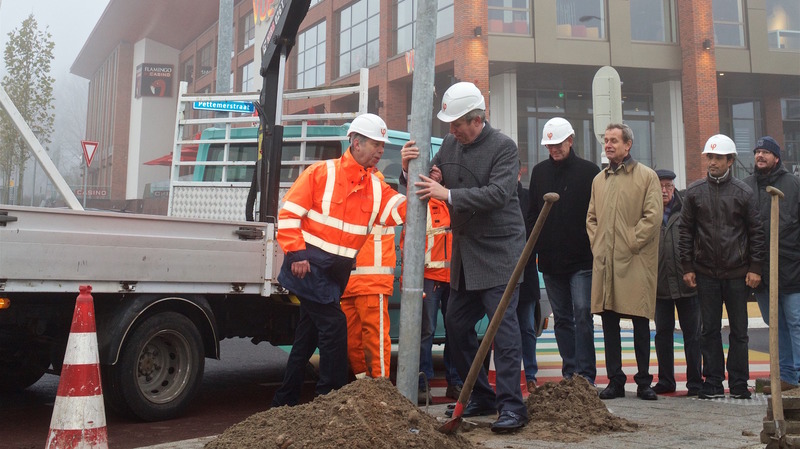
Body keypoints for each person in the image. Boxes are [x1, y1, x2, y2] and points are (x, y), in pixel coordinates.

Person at [401, 81, 528, 432]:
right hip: (465, 257)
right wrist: (409, 169)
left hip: (500, 253)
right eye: (450, 125)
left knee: (503, 332)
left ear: (477, 119)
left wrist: (449, 192)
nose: (452, 130)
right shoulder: (449, 145)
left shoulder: (504, 147)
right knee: (456, 325)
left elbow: (499, 194)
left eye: (457, 124)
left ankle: (512, 406)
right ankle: (482, 395)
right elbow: (426, 184)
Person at [271, 113, 406, 407]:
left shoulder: (375, 185)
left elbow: (398, 211)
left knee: (305, 340)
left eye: (383, 145)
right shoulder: (321, 173)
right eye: (376, 144)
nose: (381, 151)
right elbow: (289, 213)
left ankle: (284, 401)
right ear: (356, 143)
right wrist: (296, 253)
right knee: (334, 329)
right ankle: (328, 398)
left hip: (334, 274)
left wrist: (416, 181)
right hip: (309, 269)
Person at [679, 133, 765, 400]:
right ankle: (713, 382)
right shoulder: (694, 192)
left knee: (739, 332)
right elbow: (685, 232)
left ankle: (739, 383)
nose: (712, 162)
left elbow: (757, 233)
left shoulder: (744, 192)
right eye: (710, 157)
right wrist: (687, 266)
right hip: (705, 274)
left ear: (730, 161)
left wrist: (756, 268)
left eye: (718, 158)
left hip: (738, 275)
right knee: (709, 331)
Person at [586, 123, 662, 401]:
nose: (608, 145)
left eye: (614, 141)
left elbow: (652, 218)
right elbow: (591, 218)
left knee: (640, 323)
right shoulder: (599, 180)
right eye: (606, 140)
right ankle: (615, 380)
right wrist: (599, 244)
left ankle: (643, 382)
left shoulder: (646, 177)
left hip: (635, 261)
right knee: (609, 324)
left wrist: (630, 241)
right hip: (606, 262)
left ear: (628, 145)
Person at [527, 117, 599, 385]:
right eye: (549, 145)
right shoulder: (540, 172)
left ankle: (586, 375)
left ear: (570, 140)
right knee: (562, 319)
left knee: (582, 313)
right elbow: (533, 214)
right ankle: (570, 373)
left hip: (582, 259)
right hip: (550, 260)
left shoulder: (589, 172)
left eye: (557, 144)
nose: (553, 149)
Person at [744, 136, 800, 394]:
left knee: (795, 322)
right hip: (762, 272)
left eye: (766, 152)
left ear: (776, 157)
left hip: (792, 269)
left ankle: (795, 375)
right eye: (757, 151)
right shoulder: (747, 187)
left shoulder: (793, 184)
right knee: (774, 322)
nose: (760, 156)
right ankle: (784, 374)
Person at [402, 197, 464, 404]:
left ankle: (454, 382)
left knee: (455, 330)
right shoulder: (423, 204)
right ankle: (423, 382)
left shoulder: (455, 201)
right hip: (430, 277)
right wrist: (408, 278)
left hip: (454, 277)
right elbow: (408, 242)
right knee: (426, 330)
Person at [652, 169, 702, 396]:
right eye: (660, 186)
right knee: (663, 334)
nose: (664, 190)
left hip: (687, 283)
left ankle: (694, 381)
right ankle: (666, 380)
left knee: (693, 334)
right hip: (659, 286)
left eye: (668, 186)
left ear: (674, 187)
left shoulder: (686, 211)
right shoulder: (647, 212)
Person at [340, 204, 395, 379]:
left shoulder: (380, 196)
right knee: (352, 342)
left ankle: (381, 386)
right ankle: (364, 385)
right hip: (348, 284)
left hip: (371, 283)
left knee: (374, 340)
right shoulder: (347, 194)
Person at [517, 171, 540, 392]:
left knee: (527, 327)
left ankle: (530, 374)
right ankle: (512, 374)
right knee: (503, 329)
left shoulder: (528, 198)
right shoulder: (497, 197)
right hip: (501, 274)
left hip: (527, 273)